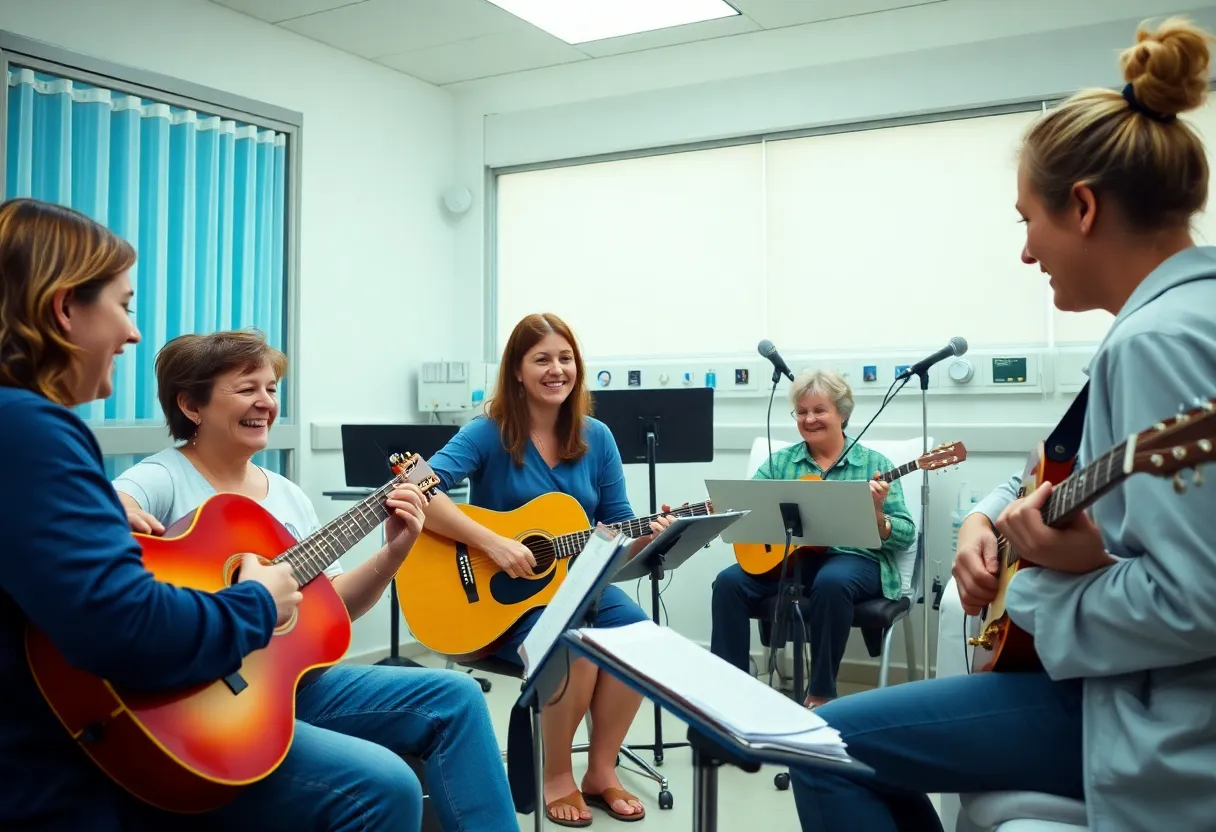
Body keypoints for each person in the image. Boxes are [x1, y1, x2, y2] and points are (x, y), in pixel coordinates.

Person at [789, 16, 1216, 832]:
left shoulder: (1159, 342)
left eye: (1028, 220)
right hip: (1126, 687)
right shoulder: (1174, 320)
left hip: (1153, 715)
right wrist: (986, 515)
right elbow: (1047, 471)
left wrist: (1040, 597)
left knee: (820, 743)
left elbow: (1193, 597)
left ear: (1083, 207)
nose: (1027, 254)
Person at [111, 328, 518, 831]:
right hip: (210, 698)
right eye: (247, 389)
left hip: (294, 683)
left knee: (459, 698)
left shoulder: (287, 497)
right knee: (391, 781)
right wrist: (124, 514)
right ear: (192, 406)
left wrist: (393, 553)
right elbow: (112, 510)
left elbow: (336, 606)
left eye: (272, 388)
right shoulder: (165, 476)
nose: (265, 402)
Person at [424, 312, 673, 827]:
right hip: (503, 600)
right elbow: (417, 490)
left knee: (641, 642)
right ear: (517, 370)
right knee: (576, 649)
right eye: (542, 359)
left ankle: (600, 772)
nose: (556, 369)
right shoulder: (487, 433)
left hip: (579, 586)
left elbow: (619, 527)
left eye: (565, 358)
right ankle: (555, 774)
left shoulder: (597, 437)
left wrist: (646, 536)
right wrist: (491, 541)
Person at [709, 370, 915, 708]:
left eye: (819, 410)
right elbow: (748, 510)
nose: (809, 419)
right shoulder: (779, 463)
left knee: (833, 581)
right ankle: (730, 695)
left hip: (855, 558)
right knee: (728, 583)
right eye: (802, 412)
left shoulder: (874, 464)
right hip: (793, 559)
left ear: (842, 414)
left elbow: (906, 533)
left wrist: (877, 516)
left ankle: (821, 692)